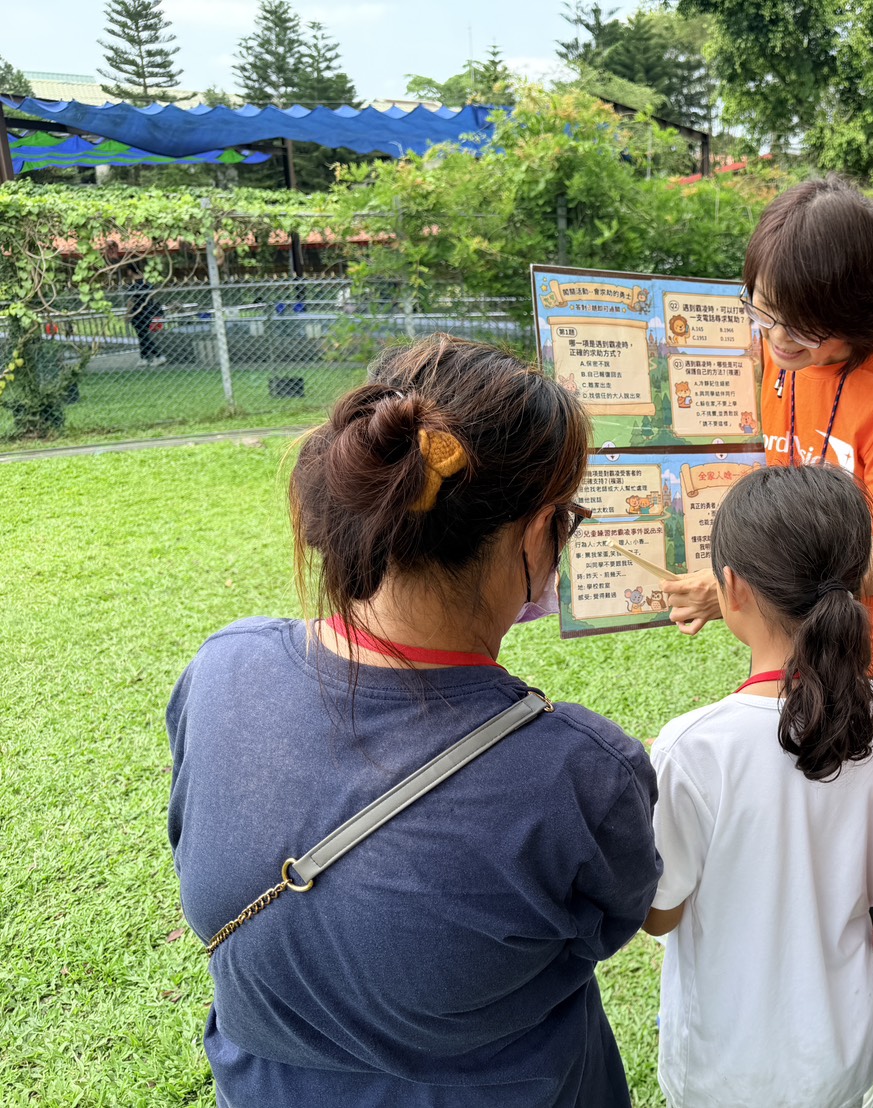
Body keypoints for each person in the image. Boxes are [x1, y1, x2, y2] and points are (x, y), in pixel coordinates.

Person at [166, 336, 662, 1107]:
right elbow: (625, 916)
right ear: (537, 534)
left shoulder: (222, 669)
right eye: (567, 517)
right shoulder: (583, 770)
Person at [644, 464, 873, 1108]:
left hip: (732, 1065)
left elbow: (661, 914)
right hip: (851, 1046)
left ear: (730, 588)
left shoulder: (692, 748)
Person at [663, 177, 873, 760]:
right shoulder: (769, 356)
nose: (775, 338)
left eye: (801, 325)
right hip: (789, 646)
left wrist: (743, 595)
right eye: (763, 311)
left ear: (861, 311)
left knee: (872, 836)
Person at [124, 265, 165, 366]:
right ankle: (144, 357)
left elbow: (131, 302)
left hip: (137, 314)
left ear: (130, 272)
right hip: (148, 312)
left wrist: (128, 315)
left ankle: (158, 355)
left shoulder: (133, 287)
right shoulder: (148, 285)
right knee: (143, 336)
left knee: (143, 336)